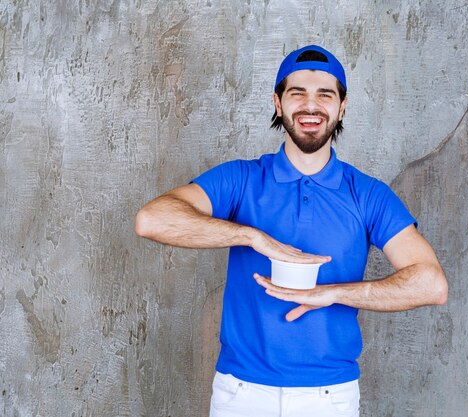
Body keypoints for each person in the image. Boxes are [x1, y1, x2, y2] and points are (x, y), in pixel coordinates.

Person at [135, 44, 448, 417]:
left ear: (342, 106)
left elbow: (431, 284)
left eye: (325, 95)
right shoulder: (242, 179)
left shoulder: (368, 195)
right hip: (240, 392)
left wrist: (331, 293)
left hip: (329, 396)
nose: (311, 106)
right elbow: (151, 219)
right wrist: (252, 236)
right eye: (297, 93)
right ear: (278, 103)